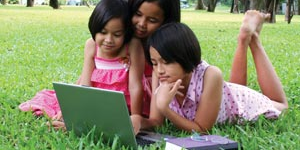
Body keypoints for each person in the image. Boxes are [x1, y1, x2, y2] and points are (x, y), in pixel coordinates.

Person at [131, 10, 289, 134]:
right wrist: (137, 120)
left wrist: (165, 108)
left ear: (186, 58)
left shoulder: (211, 75)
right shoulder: (160, 76)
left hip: (245, 103)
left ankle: (251, 38)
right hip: (227, 98)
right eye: (154, 63)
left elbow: (201, 128)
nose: (159, 70)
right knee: (232, 89)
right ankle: (245, 37)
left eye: (167, 62)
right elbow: (156, 122)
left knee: (281, 106)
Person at [19, 0, 145, 128]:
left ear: (126, 33)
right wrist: (73, 114)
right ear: (94, 28)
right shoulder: (91, 45)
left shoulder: (132, 46)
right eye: (103, 32)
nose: (108, 40)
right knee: (69, 112)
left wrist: (135, 116)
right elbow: (85, 85)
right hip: (94, 99)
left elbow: (135, 86)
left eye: (117, 34)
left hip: (124, 104)